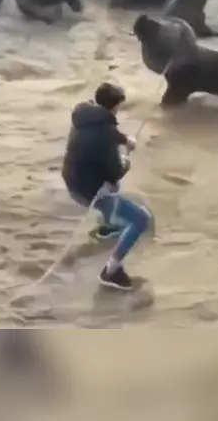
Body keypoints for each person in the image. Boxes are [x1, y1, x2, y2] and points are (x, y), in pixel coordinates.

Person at [61, 82, 153, 290]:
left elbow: (107, 133)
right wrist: (125, 162)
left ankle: (107, 227)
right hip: (91, 192)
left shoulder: (84, 117)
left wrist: (125, 140)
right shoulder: (104, 133)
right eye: (119, 106)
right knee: (141, 220)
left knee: (113, 190)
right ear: (113, 107)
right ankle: (111, 271)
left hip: (74, 183)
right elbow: (114, 173)